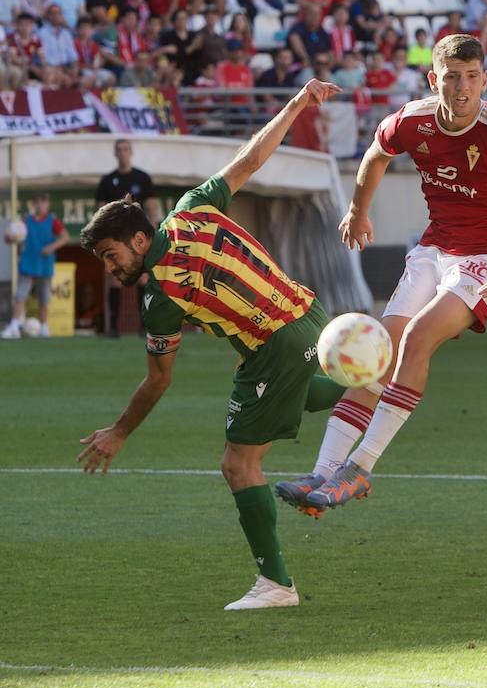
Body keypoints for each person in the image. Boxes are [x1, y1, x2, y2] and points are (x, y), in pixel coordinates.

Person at [275, 34, 487, 515]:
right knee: (382, 346)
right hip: (436, 247)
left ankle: (360, 469)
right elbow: (375, 155)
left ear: (484, 79)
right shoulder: (411, 121)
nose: (462, 88)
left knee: (418, 338)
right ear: (433, 79)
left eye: (472, 77)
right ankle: (323, 471)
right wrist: (358, 211)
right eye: (452, 77)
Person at [75, 79, 353, 610]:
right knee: (287, 391)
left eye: (111, 256)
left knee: (238, 465)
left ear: (138, 240)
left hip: (274, 341)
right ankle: (373, 387)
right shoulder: (191, 208)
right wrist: (295, 103)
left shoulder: (160, 295)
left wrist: (119, 432)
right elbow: (250, 160)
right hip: (308, 313)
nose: (111, 270)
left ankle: (276, 585)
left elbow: (159, 379)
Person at [95, 139, 159, 338]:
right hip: (116, 237)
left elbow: (152, 208)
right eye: (119, 150)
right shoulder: (107, 180)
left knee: (142, 277)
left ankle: (144, 325)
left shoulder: (142, 178)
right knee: (116, 278)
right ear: (115, 153)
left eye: (125, 149)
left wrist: (153, 233)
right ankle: (113, 327)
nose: (123, 153)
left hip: (137, 237)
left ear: (131, 152)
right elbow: (100, 210)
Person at [2, 193, 69, 339]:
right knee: (21, 295)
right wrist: (10, 237)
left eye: (43, 202)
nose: (40, 205)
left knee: (44, 297)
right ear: (32, 204)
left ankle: (44, 327)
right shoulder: (26, 220)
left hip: (45, 263)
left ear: (48, 204)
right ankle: (14, 326)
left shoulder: (53, 221)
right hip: (28, 262)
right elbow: (11, 235)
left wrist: (52, 247)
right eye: (37, 202)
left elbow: (65, 237)